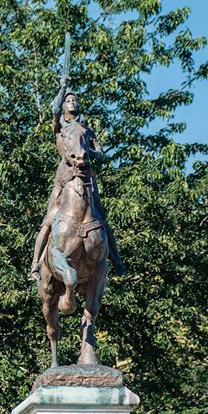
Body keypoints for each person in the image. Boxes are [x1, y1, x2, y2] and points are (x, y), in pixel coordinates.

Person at [30, 77, 126, 280]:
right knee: (48, 221)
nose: (72, 102)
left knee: (101, 219)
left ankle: (116, 260)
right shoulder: (59, 127)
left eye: (74, 100)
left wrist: (89, 153)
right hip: (64, 179)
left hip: (87, 178)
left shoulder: (86, 128)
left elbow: (100, 152)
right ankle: (35, 265)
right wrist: (62, 87)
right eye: (68, 100)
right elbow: (54, 110)